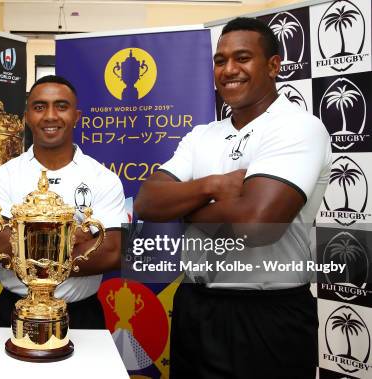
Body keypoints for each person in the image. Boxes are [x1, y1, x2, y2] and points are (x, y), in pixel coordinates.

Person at [134, 17, 331, 379]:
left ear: (273, 66)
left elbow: (258, 224)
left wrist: (187, 211)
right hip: (196, 307)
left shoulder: (296, 126)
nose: (229, 70)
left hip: (266, 315)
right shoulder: (202, 135)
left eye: (242, 58)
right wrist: (212, 187)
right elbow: (147, 202)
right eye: (220, 60)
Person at [0, 75, 127, 329]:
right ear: (27, 116)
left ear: (76, 116)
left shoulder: (104, 178)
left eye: (61, 106)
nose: (50, 115)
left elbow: (112, 252)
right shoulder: (3, 176)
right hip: (14, 310)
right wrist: (72, 235)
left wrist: (26, 237)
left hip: (81, 314)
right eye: (39, 107)